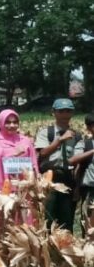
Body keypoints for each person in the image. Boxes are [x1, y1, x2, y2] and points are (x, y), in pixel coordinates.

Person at [36, 99, 81, 232]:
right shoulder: (46, 132)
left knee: (66, 220)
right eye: (61, 111)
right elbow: (42, 153)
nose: (64, 115)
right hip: (49, 178)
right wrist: (60, 140)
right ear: (54, 113)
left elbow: (76, 162)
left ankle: (64, 249)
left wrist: (77, 186)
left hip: (67, 178)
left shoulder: (77, 136)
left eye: (68, 111)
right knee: (48, 217)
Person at [69, 114, 94, 223]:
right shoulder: (84, 143)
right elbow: (72, 160)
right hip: (90, 189)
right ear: (88, 127)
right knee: (89, 223)